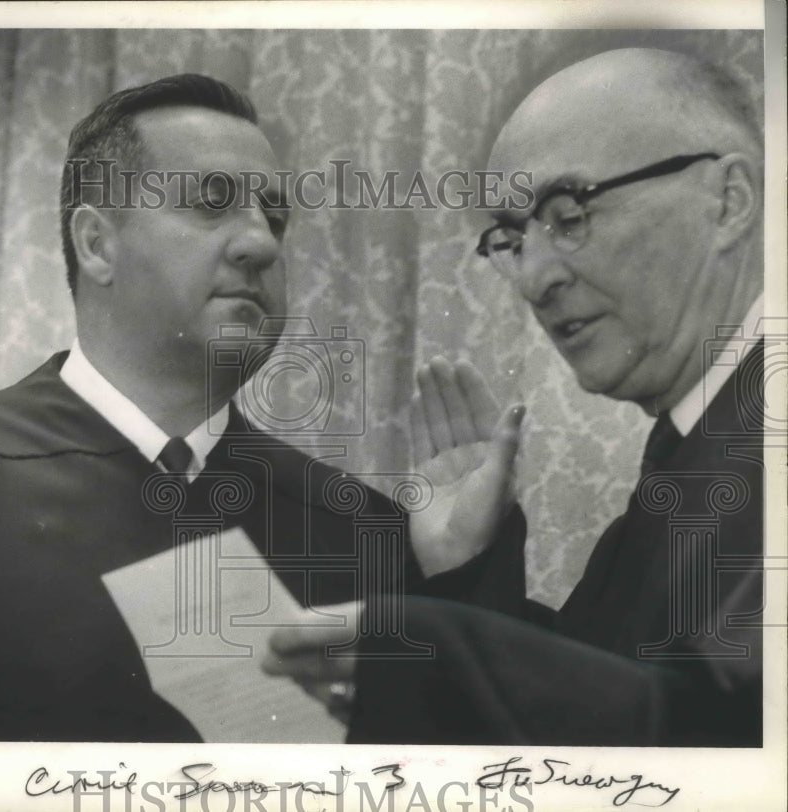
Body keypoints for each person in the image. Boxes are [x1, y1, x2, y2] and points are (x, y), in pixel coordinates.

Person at [0, 74, 530, 742]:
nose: (260, 243)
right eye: (212, 202)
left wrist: (463, 578)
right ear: (96, 244)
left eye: (273, 217)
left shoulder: (363, 529)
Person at [266, 48, 765, 747]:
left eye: (569, 213)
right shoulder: (701, 438)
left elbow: (725, 747)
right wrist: (466, 565)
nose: (532, 279)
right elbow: (614, 683)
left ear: (728, 201)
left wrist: (439, 647)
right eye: (511, 237)